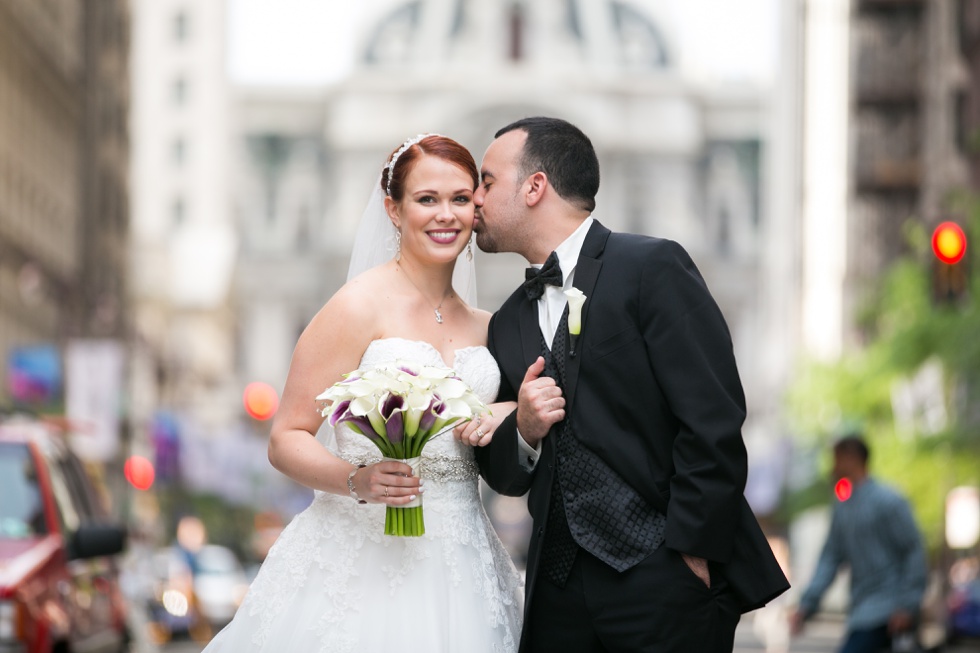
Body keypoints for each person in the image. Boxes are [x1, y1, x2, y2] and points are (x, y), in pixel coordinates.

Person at [471, 116, 790, 652]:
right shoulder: (507, 323)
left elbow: (712, 417)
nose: (473, 200)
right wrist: (523, 430)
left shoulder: (651, 266)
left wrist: (692, 555)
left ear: (534, 187)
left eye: (486, 181)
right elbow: (503, 475)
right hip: (556, 594)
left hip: (663, 578)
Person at [202, 134, 523, 652]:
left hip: (463, 560)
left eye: (460, 199)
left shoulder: (490, 326)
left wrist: (506, 410)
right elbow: (286, 436)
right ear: (393, 210)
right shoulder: (355, 308)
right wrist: (356, 479)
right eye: (427, 199)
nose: (446, 215)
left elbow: (507, 421)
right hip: (360, 555)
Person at [790, 435, 927, 653]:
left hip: (889, 612)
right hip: (862, 612)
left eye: (836, 459)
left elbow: (913, 552)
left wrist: (907, 606)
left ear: (851, 458)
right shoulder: (843, 508)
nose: (832, 467)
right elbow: (830, 558)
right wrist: (807, 605)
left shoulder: (890, 501)